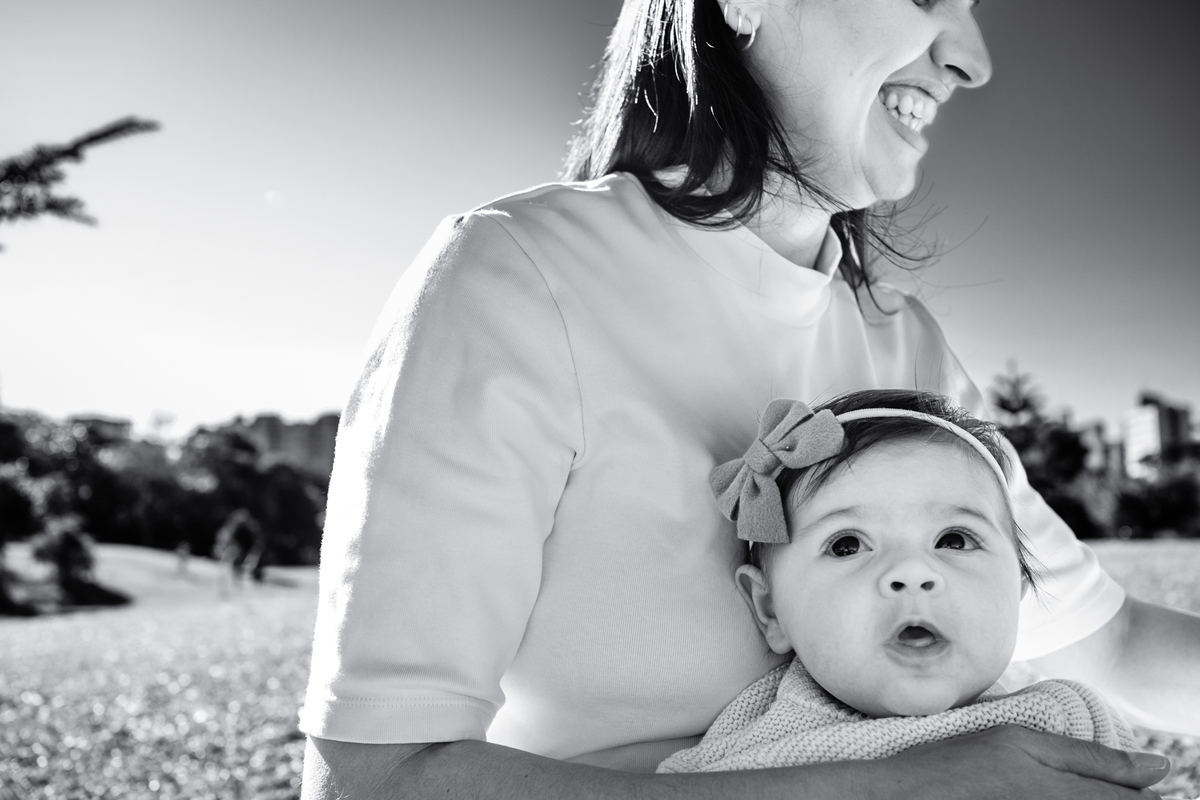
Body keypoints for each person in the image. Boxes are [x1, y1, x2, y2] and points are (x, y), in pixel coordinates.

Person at [300, 1, 1200, 798]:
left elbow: (1109, 644)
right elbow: (373, 777)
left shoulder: (904, 340)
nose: (972, 57)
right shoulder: (518, 275)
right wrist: (886, 791)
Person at [656, 390, 1140, 773]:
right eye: (847, 545)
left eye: (954, 539)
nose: (913, 572)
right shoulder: (749, 761)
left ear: (1016, 590)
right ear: (770, 609)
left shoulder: (1073, 721)